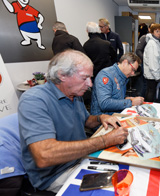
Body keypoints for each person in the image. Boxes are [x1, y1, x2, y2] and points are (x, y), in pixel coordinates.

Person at [18, 49, 128, 193]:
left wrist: (101, 118)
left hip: (80, 159)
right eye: (84, 78)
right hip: (56, 174)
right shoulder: (34, 100)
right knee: (115, 189)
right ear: (62, 75)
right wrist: (104, 141)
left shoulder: (75, 94)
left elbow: (86, 120)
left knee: (125, 172)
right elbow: (44, 155)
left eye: (90, 78)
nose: (90, 84)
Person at [90, 52, 144, 117]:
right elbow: (104, 104)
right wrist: (130, 102)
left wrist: (127, 98)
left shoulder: (123, 76)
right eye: (132, 69)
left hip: (115, 115)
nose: (133, 73)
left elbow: (115, 96)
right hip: (102, 119)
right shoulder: (106, 75)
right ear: (125, 63)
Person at [143, 23, 160, 102]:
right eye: (157, 31)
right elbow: (153, 63)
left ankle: (148, 109)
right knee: (151, 92)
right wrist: (157, 76)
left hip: (152, 74)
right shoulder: (152, 44)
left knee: (150, 91)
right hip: (152, 75)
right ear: (152, 32)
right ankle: (149, 110)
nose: (159, 33)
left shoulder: (156, 42)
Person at [135, 22, 154, 97]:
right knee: (146, 84)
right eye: (152, 28)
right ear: (149, 29)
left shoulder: (156, 40)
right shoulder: (144, 38)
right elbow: (138, 50)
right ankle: (142, 100)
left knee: (150, 85)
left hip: (152, 65)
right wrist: (145, 59)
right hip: (145, 65)